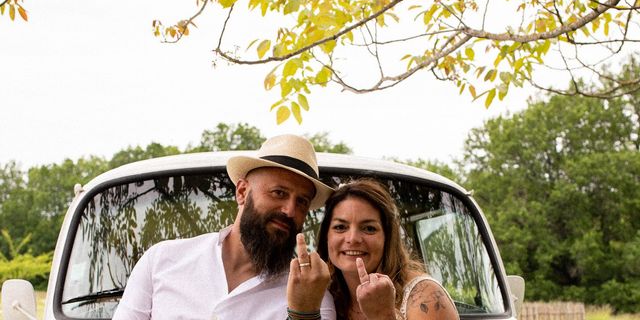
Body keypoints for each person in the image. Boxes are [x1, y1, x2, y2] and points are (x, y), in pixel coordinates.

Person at [113, 134, 336, 320]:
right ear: (241, 192)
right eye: (279, 193)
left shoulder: (313, 299)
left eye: (302, 202)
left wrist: (302, 314)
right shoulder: (161, 260)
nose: (289, 210)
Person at [314, 179, 460, 320]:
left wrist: (384, 316)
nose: (352, 238)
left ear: (388, 237)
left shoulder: (425, 296)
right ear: (326, 236)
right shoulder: (323, 295)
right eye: (340, 227)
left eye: (369, 228)